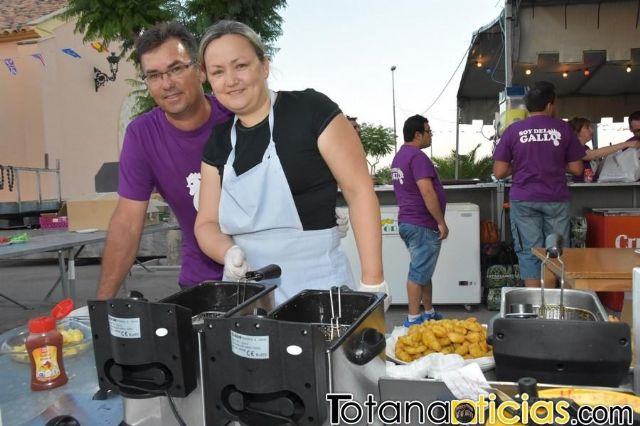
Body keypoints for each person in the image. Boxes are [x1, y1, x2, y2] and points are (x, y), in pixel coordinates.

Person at [194, 20, 389, 306]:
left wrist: (373, 280)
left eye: (241, 66)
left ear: (264, 66)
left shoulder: (311, 110)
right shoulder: (219, 141)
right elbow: (207, 223)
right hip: (250, 293)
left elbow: (358, 190)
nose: (231, 80)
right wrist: (228, 253)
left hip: (321, 287)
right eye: (218, 72)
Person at [96, 22, 233, 299]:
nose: (167, 83)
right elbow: (128, 222)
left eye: (176, 69)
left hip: (267, 275)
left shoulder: (235, 116)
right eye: (154, 75)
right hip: (202, 284)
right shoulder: (142, 135)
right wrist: (99, 306)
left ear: (199, 70)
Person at [493, 81, 586, 288]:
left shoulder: (513, 130)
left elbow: (499, 172)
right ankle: (555, 304)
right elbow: (577, 169)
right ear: (549, 105)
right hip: (556, 199)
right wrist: (556, 160)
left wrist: (518, 165)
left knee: (529, 252)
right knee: (557, 251)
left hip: (524, 199)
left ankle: (536, 306)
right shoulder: (563, 128)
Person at [391, 115, 448, 327]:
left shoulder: (400, 157)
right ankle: (413, 319)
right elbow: (426, 191)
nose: (431, 133)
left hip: (408, 222)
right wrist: (440, 221)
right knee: (418, 273)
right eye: (428, 130)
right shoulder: (417, 157)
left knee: (423, 269)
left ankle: (429, 311)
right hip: (422, 224)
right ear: (418, 134)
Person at [568, 117, 640, 182]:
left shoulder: (586, 148)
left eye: (591, 127)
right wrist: (626, 144)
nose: (591, 130)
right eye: (587, 127)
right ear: (576, 131)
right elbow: (593, 154)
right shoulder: (571, 147)